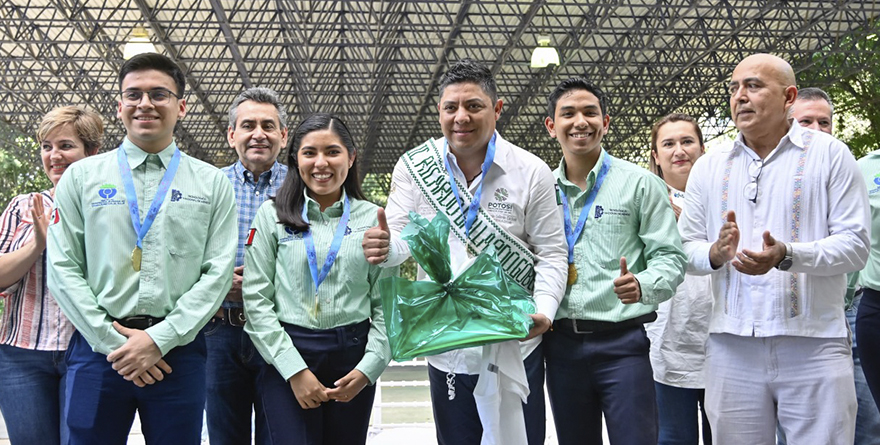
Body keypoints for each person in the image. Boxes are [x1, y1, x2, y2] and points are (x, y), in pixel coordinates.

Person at [361, 58, 567, 445]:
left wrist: (545, 308)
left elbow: (552, 253)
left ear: (497, 109)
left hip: (515, 340)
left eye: (474, 106)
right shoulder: (415, 166)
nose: (461, 117)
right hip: (448, 344)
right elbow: (401, 241)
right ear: (439, 111)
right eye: (451, 107)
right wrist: (385, 248)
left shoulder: (532, 171)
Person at [46, 52, 238, 444]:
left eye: (159, 94)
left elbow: (217, 273)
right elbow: (63, 267)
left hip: (177, 356)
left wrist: (159, 340)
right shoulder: (82, 178)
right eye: (133, 95)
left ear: (181, 106)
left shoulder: (212, 183)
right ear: (119, 106)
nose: (145, 104)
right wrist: (116, 344)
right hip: (97, 352)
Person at [678, 53, 869, 444]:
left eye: (753, 86)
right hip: (731, 345)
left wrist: (787, 255)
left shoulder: (831, 155)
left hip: (813, 341)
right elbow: (683, 248)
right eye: (734, 88)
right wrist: (715, 254)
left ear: (789, 97)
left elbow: (855, 247)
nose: (740, 97)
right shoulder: (710, 167)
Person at [542, 78, 687, 445]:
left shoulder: (639, 184)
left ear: (605, 123)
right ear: (551, 126)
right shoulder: (539, 189)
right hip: (559, 348)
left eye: (591, 113)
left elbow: (670, 257)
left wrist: (643, 284)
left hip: (622, 346)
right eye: (568, 114)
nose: (580, 122)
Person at [243, 113, 397, 444]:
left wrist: (367, 370)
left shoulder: (374, 220)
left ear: (351, 156)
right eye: (310, 152)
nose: (321, 163)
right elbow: (256, 301)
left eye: (332, 152)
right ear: (295, 159)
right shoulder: (272, 217)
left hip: (352, 357)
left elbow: (388, 307)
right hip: (288, 353)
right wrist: (294, 371)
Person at [784, 87, 880, 445]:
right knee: (795, 423)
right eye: (805, 120)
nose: (816, 128)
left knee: (866, 420)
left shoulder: (851, 172)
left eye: (824, 122)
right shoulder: (767, 179)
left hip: (851, 308)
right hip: (792, 313)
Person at [0, 106, 102, 445]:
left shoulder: (108, 208)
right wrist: (37, 245)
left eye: (65, 146)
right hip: (22, 355)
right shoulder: (22, 206)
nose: (54, 155)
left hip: (87, 350)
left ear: (91, 152)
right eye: (47, 147)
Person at [206, 87, 289, 445]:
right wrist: (219, 283)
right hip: (218, 332)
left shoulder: (303, 187)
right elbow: (180, 254)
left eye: (268, 126)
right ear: (232, 135)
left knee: (280, 434)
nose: (259, 134)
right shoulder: (207, 186)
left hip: (281, 330)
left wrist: (263, 283)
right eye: (248, 125)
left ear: (283, 136)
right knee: (226, 436)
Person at [645, 113, 713, 445]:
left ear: (702, 147)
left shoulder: (723, 194)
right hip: (669, 340)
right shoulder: (643, 199)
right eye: (668, 144)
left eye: (687, 141)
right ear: (656, 156)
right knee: (673, 437)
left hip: (721, 336)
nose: (679, 151)